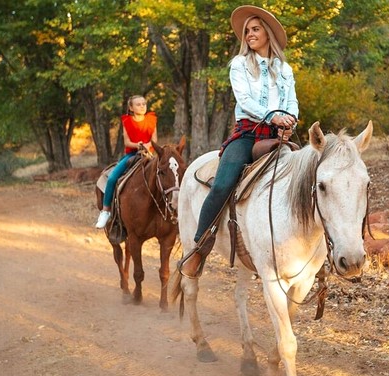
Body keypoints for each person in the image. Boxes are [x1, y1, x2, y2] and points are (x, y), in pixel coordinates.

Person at [179, 5, 298, 277]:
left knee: (308, 177)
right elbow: (244, 100)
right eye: (247, 31)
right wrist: (272, 117)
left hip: (279, 135)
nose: (250, 34)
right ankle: (199, 246)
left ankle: (311, 247)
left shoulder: (285, 68)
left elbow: (292, 100)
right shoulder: (239, 64)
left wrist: (290, 119)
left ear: (268, 33)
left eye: (255, 29)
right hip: (248, 133)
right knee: (221, 185)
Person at [95, 95, 159, 228]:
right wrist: (139, 145)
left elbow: (155, 140)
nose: (142, 106)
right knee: (112, 178)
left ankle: (168, 210)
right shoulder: (127, 121)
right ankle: (106, 211)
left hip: (149, 153)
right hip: (132, 154)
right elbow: (127, 142)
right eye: (138, 104)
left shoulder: (151, 120)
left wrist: (148, 145)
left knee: (165, 175)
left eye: (144, 103)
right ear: (131, 107)